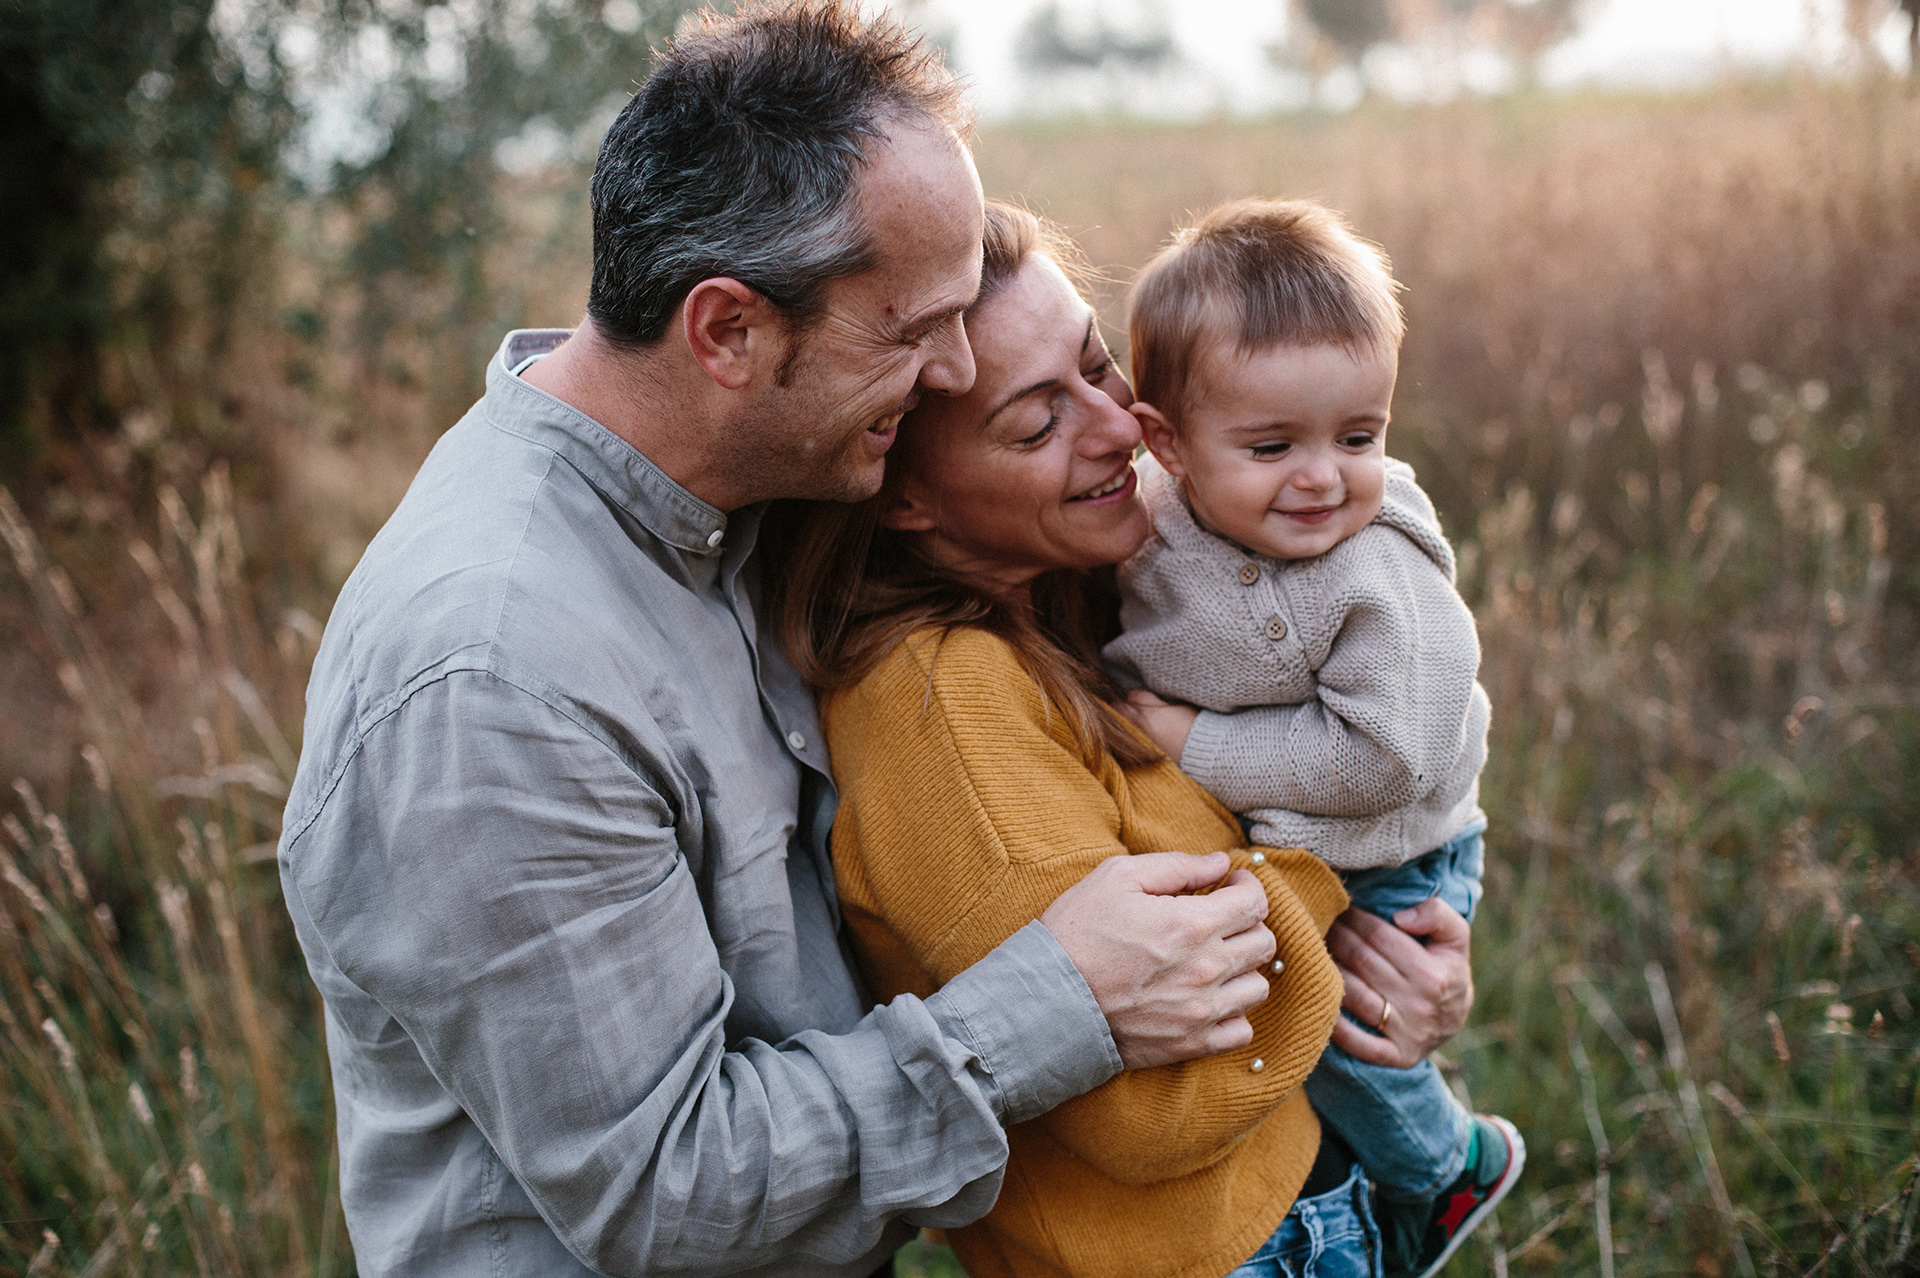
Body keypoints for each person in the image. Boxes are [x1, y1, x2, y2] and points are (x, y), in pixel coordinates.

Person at [276, 8, 1302, 1276]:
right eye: (914, 330)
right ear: (727, 332)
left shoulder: (749, 492)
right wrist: (1058, 1000)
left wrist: (1387, 899)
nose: (953, 373)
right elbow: (667, 1194)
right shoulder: (497, 684)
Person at [773, 203, 1479, 1278]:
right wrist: (1337, 919)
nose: (1120, 431)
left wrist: (1409, 978)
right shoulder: (945, 711)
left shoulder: (1109, 580)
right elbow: (1150, 1105)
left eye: (1098, 370)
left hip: (1292, 1198)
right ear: (906, 496)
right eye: (1035, 424)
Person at [1103, 199, 1522, 1278]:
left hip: (1397, 845)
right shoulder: (1146, 515)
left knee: (1337, 1028)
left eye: (1360, 436)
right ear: (1166, 444)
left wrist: (1195, 744)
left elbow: (1390, 756)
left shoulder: (1378, 572)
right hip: (1299, 843)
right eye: (1273, 445)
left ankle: (1448, 1168)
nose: (1324, 477)